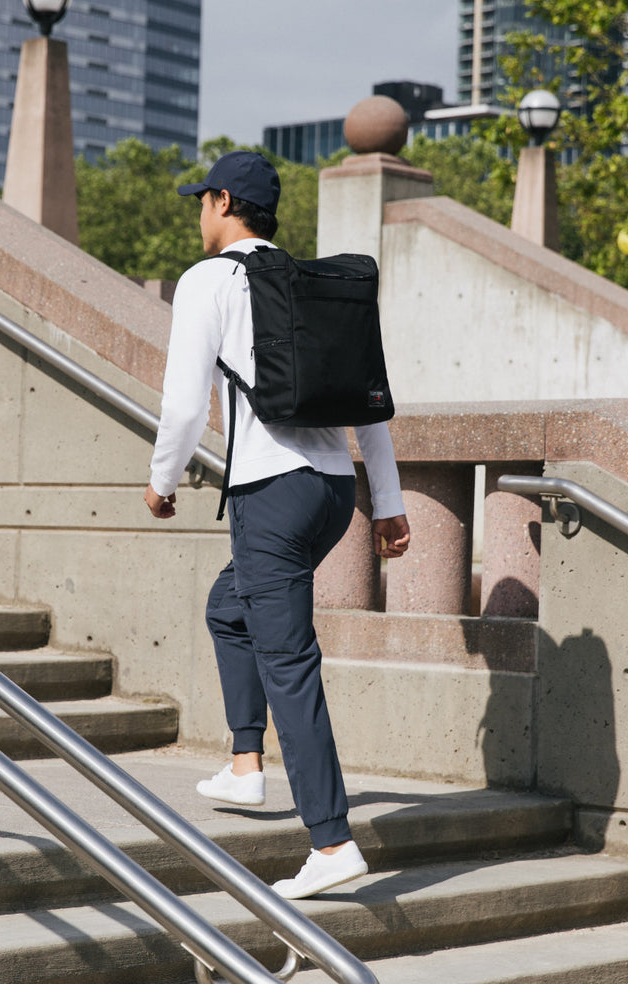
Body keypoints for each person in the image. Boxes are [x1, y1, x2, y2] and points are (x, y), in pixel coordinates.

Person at [143, 150, 411, 900]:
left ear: (224, 202)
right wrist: (386, 502)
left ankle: (330, 840)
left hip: (272, 495)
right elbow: (370, 402)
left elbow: (184, 404)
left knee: (289, 661)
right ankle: (243, 765)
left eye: (203, 201)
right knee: (230, 608)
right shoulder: (307, 280)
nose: (199, 213)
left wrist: (162, 482)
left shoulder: (210, 280)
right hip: (330, 493)